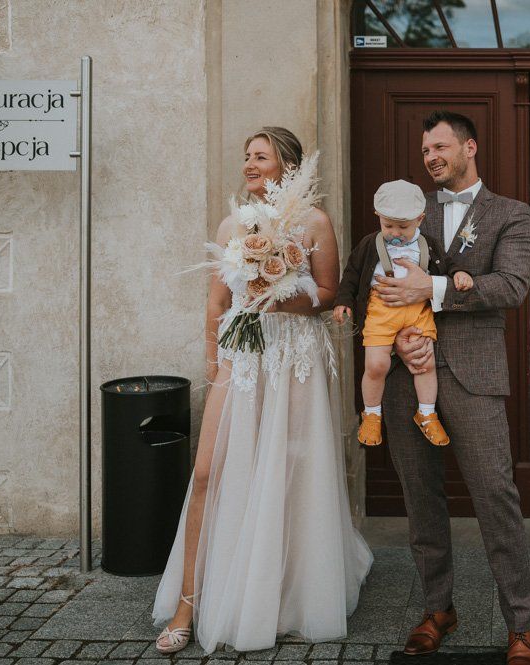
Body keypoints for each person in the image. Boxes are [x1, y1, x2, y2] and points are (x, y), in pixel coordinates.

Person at [151, 127, 373, 654]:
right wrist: (213, 362)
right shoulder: (233, 223)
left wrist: (280, 296)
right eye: (246, 155)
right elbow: (215, 303)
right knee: (208, 472)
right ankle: (189, 601)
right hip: (241, 358)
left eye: (261, 155)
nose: (249, 163)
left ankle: (280, 596)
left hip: (292, 355)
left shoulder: (314, 222)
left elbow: (326, 293)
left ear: (286, 164)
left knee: (288, 470)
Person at [371, 111, 530, 665]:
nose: (431, 158)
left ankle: (520, 624)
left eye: (440, 147)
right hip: (405, 374)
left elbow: (512, 284)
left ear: (470, 147)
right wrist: (398, 343)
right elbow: (377, 285)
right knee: (420, 496)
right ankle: (438, 608)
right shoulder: (406, 212)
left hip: (475, 373)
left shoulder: (511, 214)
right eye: (425, 151)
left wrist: (435, 288)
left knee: (495, 495)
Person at [333, 179, 472, 448]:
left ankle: (427, 412)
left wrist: (459, 274)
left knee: (425, 363)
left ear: (420, 219)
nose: (395, 232)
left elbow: (448, 263)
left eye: (403, 227)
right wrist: (343, 300)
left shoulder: (428, 245)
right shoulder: (369, 245)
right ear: (379, 218)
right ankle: (372, 414)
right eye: (388, 226)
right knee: (376, 365)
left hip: (417, 311)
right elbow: (351, 273)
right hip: (381, 310)